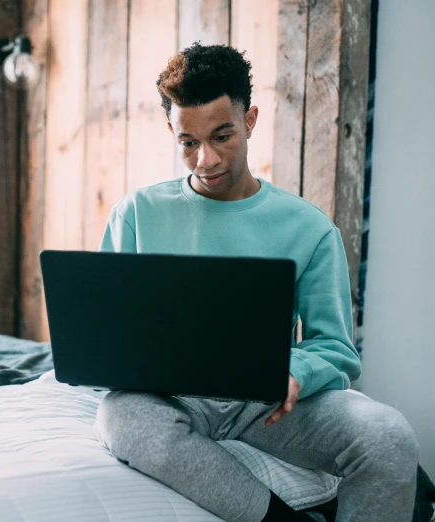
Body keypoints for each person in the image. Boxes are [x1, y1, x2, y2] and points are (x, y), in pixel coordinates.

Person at [94, 43, 419, 522]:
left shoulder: (309, 228)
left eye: (222, 136)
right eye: (188, 143)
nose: (205, 159)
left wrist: (296, 372)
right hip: (170, 397)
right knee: (122, 419)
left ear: (249, 121)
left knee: (388, 434)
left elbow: (335, 348)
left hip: (267, 405)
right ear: (172, 132)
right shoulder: (137, 213)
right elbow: (106, 325)